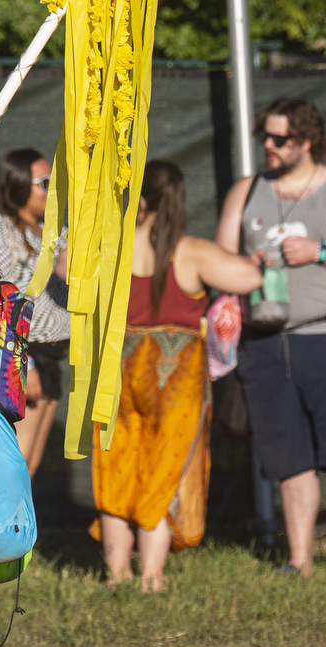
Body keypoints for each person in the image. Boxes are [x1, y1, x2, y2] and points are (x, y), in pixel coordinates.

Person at [215, 97, 326, 577]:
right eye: (264, 137)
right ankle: (299, 560)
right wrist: (249, 267)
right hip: (264, 342)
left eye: (279, 139)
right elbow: (220, 262)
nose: (268, 146)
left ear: (306, 142)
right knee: (287, 455)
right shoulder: (246, 191)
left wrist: (320, 250)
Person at [93, 161, 261, 592]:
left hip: (117, 370)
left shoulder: (112, 245)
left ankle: (117, 575)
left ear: (141, 200)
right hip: (176, 379)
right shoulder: (190, 251)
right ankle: (152, 575)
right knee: (162, 472)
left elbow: (65, 271)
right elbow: (249, 276)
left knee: (115, 470)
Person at [0, 149, 69, 476]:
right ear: (17, 185)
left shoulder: (52, 229)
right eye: (44, 183)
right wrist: (21, 363)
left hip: (51, 356)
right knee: (14, 465)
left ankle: (18, 527)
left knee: (29, 465)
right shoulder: (0, 231)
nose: (52, 190)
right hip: (23, 355)